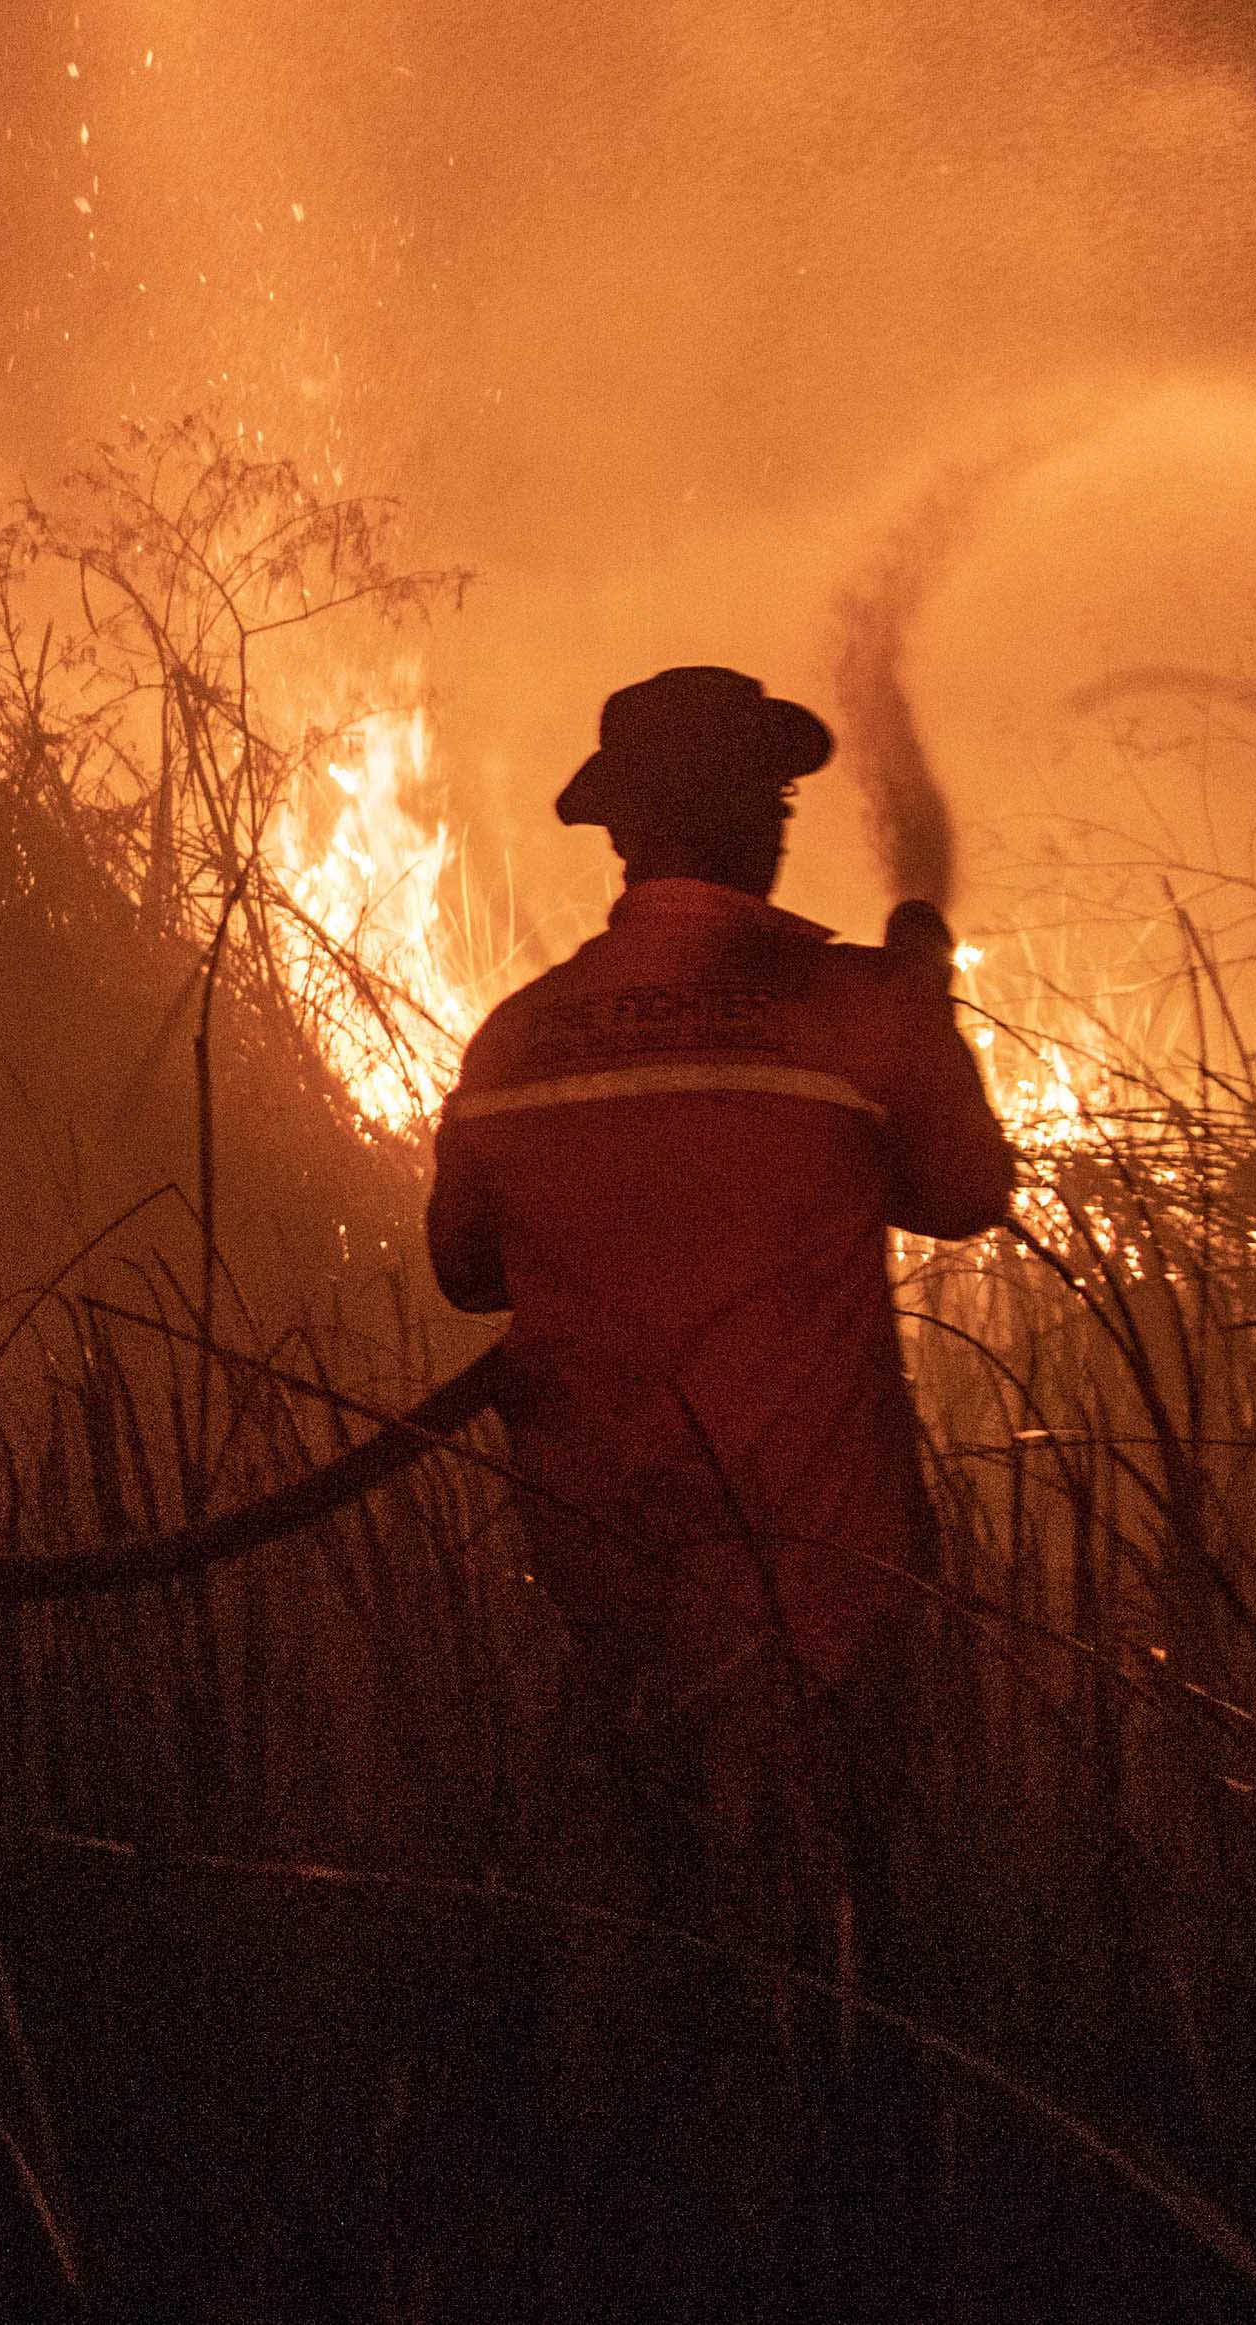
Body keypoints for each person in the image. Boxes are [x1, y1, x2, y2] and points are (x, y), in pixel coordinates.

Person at [426, 666, 1011, 1899]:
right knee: (831, 1945)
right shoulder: (854, 1012)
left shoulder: (515, 1035)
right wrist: (925, 1002)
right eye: (782, 804)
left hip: (600, 1592)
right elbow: (961, 1196)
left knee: (654, 1924)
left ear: (624, 835)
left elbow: (465, 1273)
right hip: (818, 1599)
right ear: (759, 821)